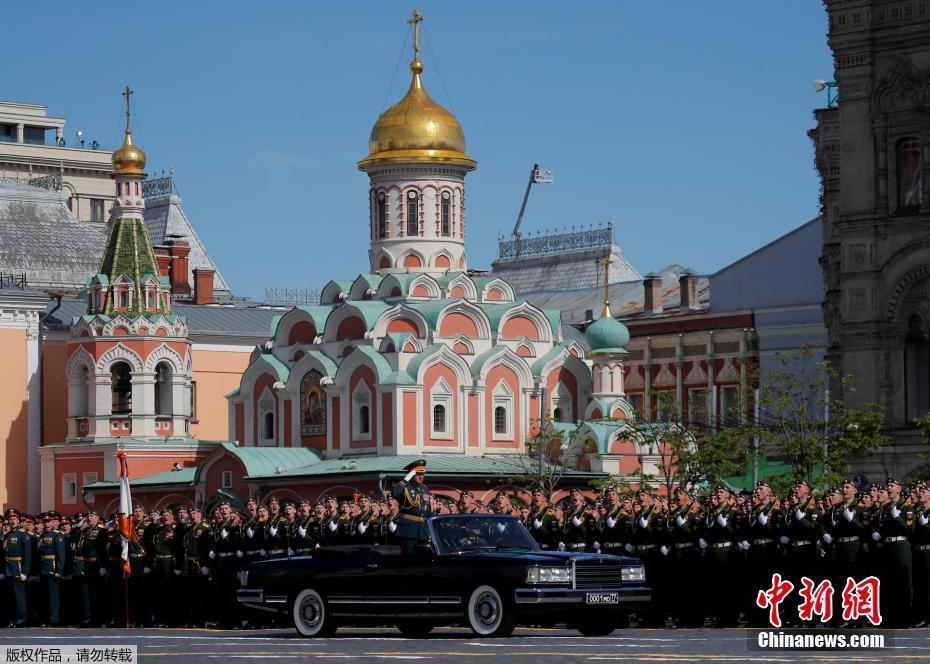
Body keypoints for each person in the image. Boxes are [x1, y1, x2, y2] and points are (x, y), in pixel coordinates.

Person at [391, 459, 433, 552]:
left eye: (422, 474)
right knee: (409, 559)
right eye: (418, 474)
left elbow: (427, 511)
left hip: (423, 530)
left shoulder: (424, 489)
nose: (421, 477)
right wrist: (406, 479)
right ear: (412, 474)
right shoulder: (404, 487)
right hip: (408, 530)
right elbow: (395, 493)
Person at [3, 510, 31, 627]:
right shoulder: (7, 535)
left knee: (19, 597)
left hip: (18, 570)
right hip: (8, 570)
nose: (12, 521)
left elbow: (27, 555)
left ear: (19, 522)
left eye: (14, 519)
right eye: (10, 519)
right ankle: (12, 619)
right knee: (10, 598)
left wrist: (25, 572)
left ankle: (21, 619)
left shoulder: (23, 535)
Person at [38, 513, 66, 627]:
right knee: (45, 596)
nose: (46, 524)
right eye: (45, 522)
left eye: (49, 522)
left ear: (53, 523)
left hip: (52, 569)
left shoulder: (57, 535)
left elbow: (61, 555)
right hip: (43, 568)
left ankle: (54, 619)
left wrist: (59, 570)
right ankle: (45, 619)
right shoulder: (41, 535)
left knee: (53, 596)